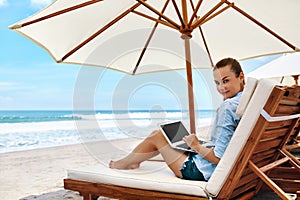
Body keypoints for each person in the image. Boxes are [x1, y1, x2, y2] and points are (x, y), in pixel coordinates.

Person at [109, 58, 245, 181]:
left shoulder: (228, 107)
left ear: (241, 76)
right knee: (170, 139)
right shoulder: (245, 102)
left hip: (199, 170)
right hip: (224, 167)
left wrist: (196, 146)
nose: (221, 88)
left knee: (157, 136)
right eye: (217, 83)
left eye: (226, 81)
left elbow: (218, 158)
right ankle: (132, 161)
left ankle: (125, 163)